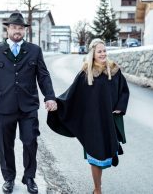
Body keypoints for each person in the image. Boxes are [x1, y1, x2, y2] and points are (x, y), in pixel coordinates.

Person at [0, 12, 57, 194]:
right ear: (8, 29)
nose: (17, 31)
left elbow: (43, 76)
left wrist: (49, 96)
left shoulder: (34, 51)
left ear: (24, 31)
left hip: (28, 107)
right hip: (3, 107)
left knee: (30, 142)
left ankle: (29, 177)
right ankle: (9, 178)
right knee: (5, 145)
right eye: (14, 27)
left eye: (20, 28)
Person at [47, 38, 130, 194]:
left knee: (105, 153)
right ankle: (97, 189)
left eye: (104, 50)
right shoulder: (86, 73)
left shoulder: (114, 70)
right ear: (93, 54)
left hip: (108, 120)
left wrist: (120, 107)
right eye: (99, 51)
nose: (103, 53)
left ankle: (98, 186)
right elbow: (72, 94)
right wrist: (57, 104)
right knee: (94, 154)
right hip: (92, 122)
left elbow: (124, 90)